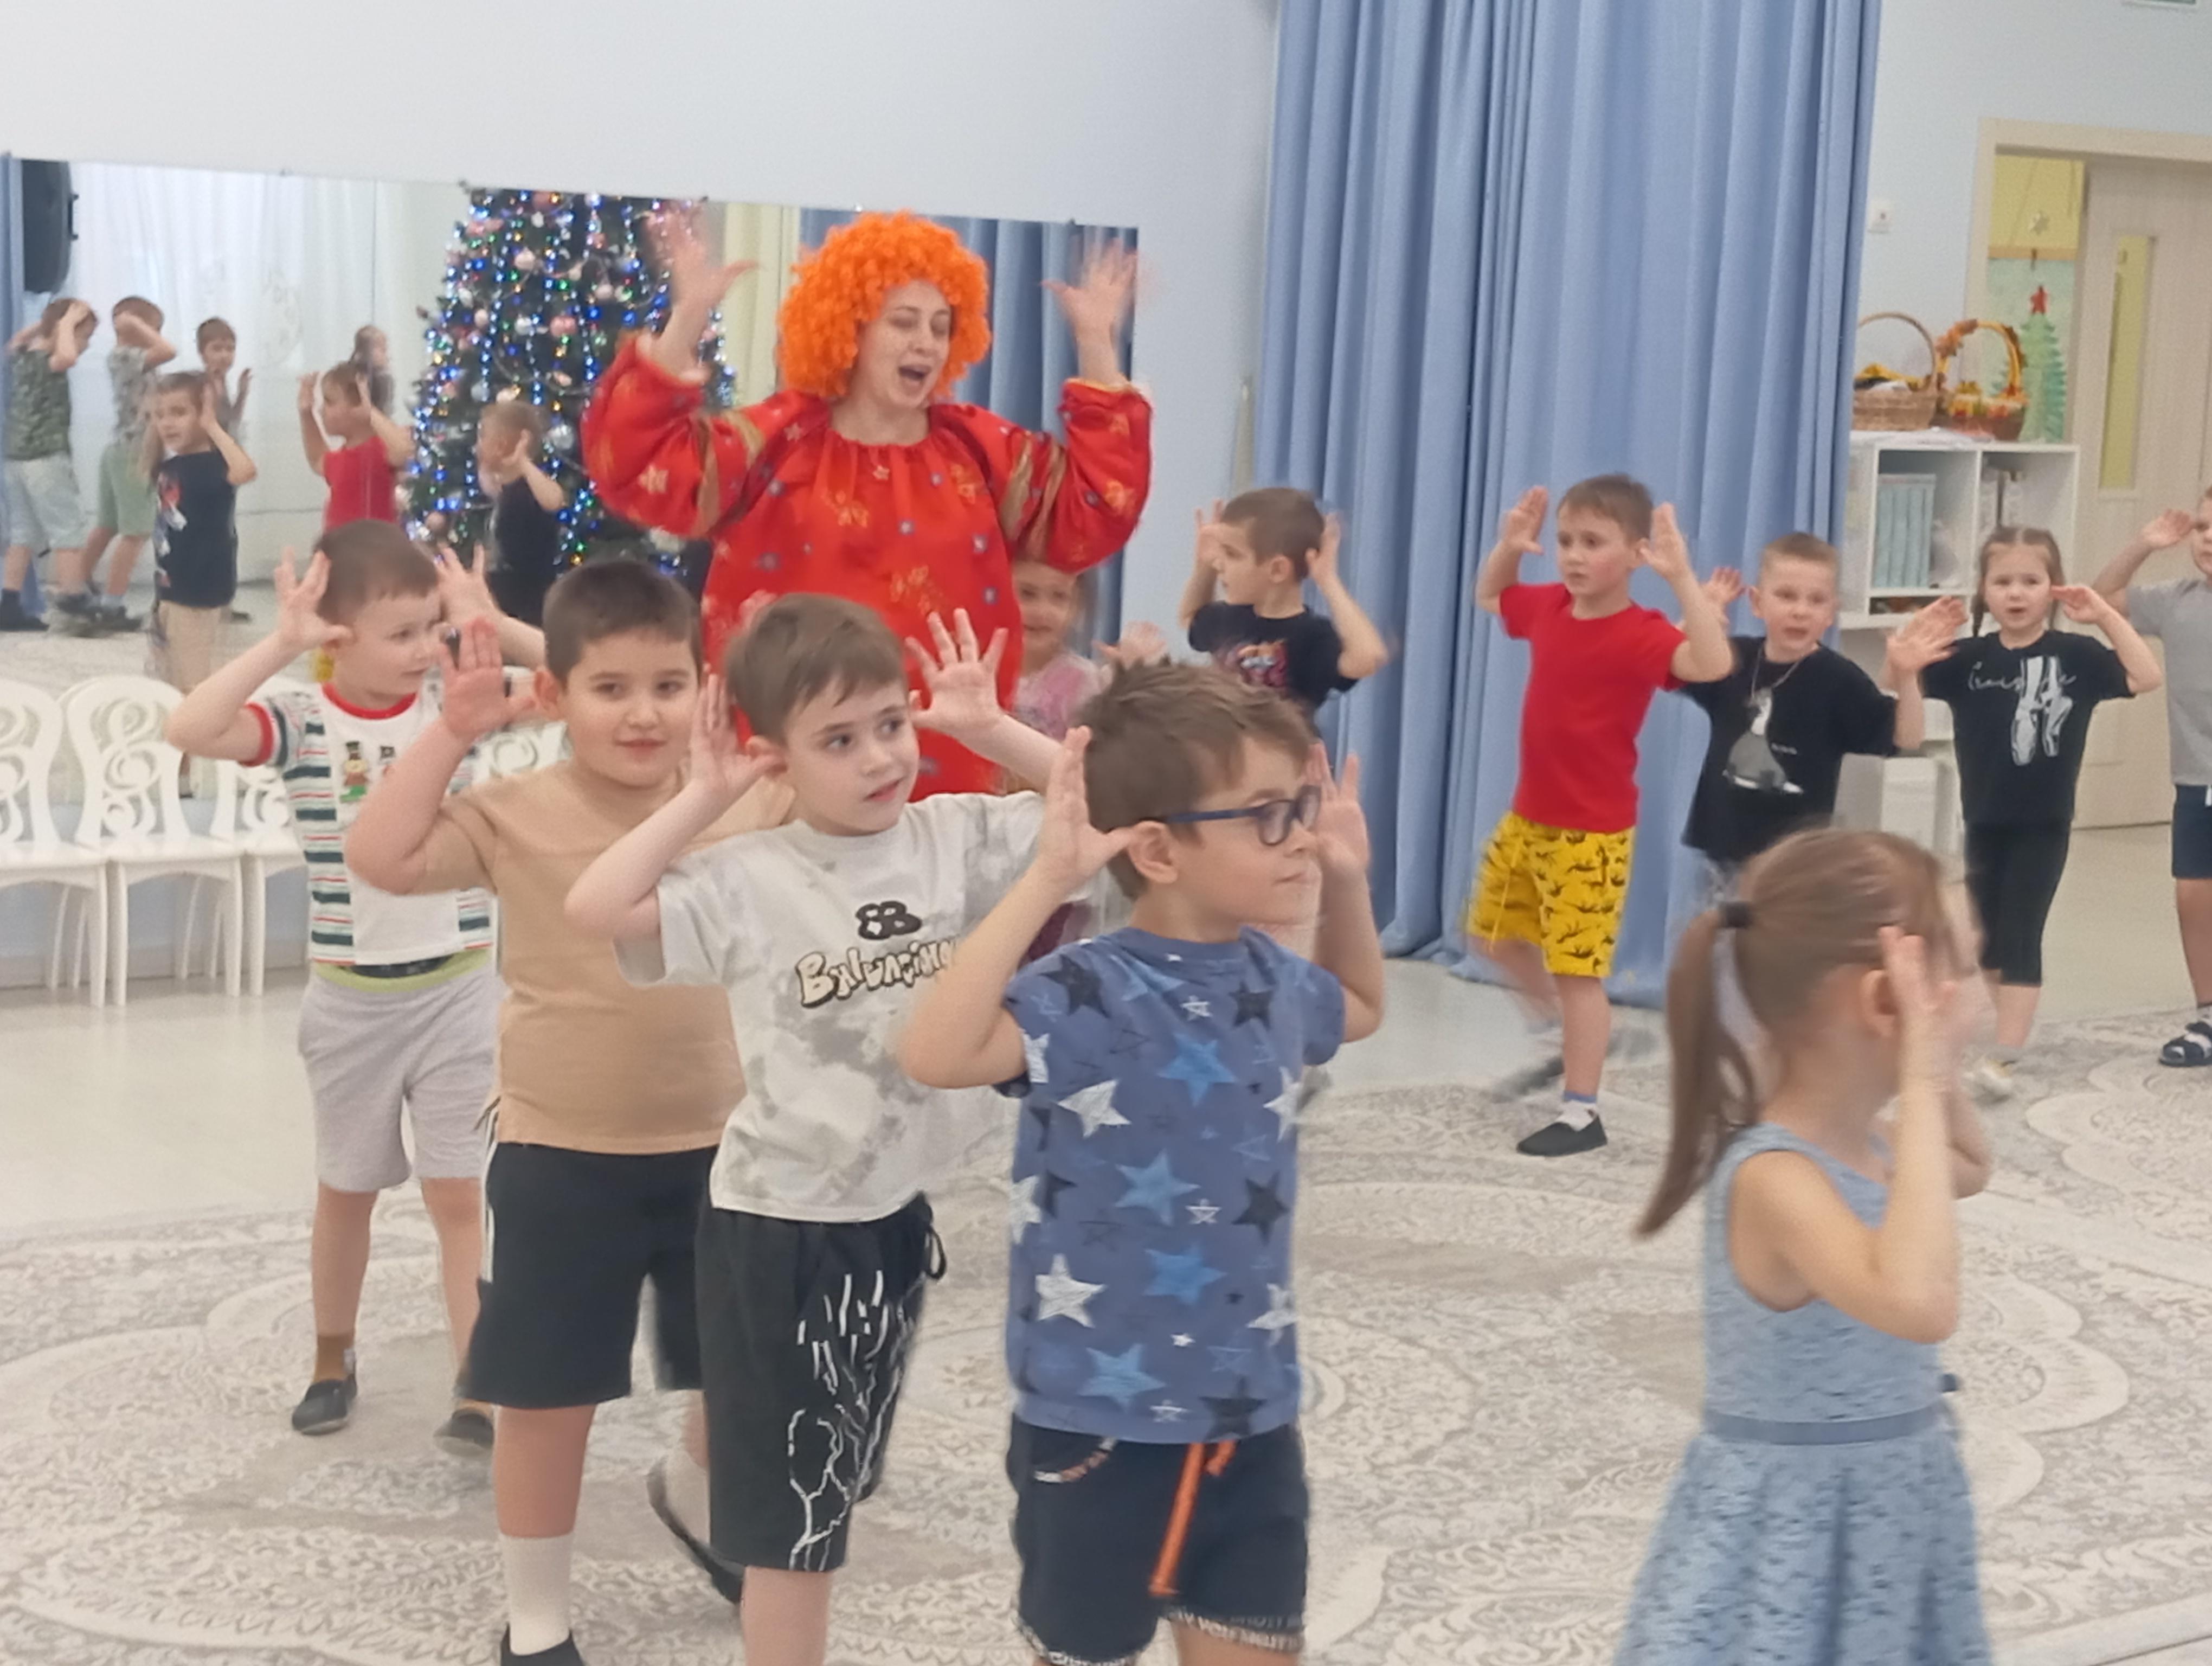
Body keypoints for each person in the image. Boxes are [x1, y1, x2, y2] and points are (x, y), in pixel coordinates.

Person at [564, 593, 1068, 1666]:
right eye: (838, 741)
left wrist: (989, 728)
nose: (880, 757)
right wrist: (704, 795)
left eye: (890, 723)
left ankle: (700, 1478)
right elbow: (595, 909)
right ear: (777, 756)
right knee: (800, 1534)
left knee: (836, 1481)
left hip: (892, 1217)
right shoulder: (751, 878)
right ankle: (726, 1512)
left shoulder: (954, 838)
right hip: (782, 1228)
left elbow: (1106, 804)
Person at [348, 563, 791, 1665]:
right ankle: (537, 1612)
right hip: (562, 1152)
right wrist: (453, 732)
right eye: (610, 688)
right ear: (553, 694)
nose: (643, 714)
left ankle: (694, 1491)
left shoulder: (746, 796)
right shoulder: (517, 812)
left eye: (668, 685)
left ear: (704, 687)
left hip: (729, 1148)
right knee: (546, 1398)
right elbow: (381, 854)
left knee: (738, 1368)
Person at [898, 664, 1385, 1666]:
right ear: (1159, 850)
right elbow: (937, 1053)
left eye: (1300, 808)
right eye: (1269, 816)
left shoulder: (1273, 978)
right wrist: (1047, 878)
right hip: (1098, 1425)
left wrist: (1347, 879)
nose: (1300, 835)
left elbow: (1362, 1007)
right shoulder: (1085, 988)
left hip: (1251, 1416)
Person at [165, 522, 531, 1450]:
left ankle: (480, 1378)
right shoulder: (302, 721)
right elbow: (190, 727)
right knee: (347, 1190)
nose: (422, 649)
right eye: (400, 633)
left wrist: (491, 624)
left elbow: (572, 680)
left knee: (461, 1193)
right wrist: (279, 643)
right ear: (337, 634)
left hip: (460, 993)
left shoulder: (456, 704)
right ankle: (332, 1358)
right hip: (352, 1003)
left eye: (430, 629)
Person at [584, 210, 1151, 796]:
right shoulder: (779, 441)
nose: (925, 342)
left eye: (940, 326)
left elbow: (1096, 510)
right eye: (903, 322)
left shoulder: (978, 450)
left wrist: (1095, 343)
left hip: (943, 767)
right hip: (784, 765)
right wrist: (689, 318)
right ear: (849, 328)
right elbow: (636, 467)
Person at [1616, 828, 1994, 1664]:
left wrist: (1933, 1072)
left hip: (1889, 1511)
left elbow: (1970, 1164)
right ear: (1882, 1001)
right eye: (1966, 968)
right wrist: (1921, 1071)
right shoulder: (1776, 1178)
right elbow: (1920, 1301)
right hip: (1798, 1533)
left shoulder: (1874, 1143)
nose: (1981, 991)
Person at [1468, 476, 1733, 1156]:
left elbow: (1711, 662)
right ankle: (1564, 1037)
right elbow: (1490, 596)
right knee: (1492, 936)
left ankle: (1582, 1113)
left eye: (1593, 542)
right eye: (1565, 541)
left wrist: (1683, 582)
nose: (1574, 556)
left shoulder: (1642, 634)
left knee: (1577, 973)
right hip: (1528, 819)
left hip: (1591, 834)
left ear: (1637, 553)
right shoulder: (1550, 607)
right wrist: (1510, 546)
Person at [1921, 527, 2162, 1100]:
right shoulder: (1969, 659)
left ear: (2053, 587)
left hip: (2044, 823)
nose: (2017, 593)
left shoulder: (2075, 657)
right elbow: (1900, 677)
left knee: (2022, 933)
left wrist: (2104, 615)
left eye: (2031, 581)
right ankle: (2008, 1025)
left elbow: (2146, 676)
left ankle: (2007, 1052)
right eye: (2003, 581)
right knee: (1987, 941)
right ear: (1984, 590)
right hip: (1983, 819)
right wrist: (1922, 634)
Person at [1681, 534, 1958, 895]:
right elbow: (1669, 660)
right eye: (1786, 596)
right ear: (1757, 602)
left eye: (1816, 600)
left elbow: (1906, 738)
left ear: (1831, 613)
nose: (1801, 611)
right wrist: (1700, 615)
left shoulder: (1839, 680)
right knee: (1718, 932)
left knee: (1786, 933)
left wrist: (1907, 677)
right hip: (1721, 848)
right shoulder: (1731, 659)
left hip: (1798, 861)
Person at [2093, 497, 2212, 1067]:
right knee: (2194, 897)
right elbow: (2100, 600)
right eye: (2204, 526)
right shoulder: (2176, 601)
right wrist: (2144, 544)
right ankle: (2208, 1013)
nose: (2208, 538)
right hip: (2199, 777)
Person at [1179, 489, 1390, 720]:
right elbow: (1190, 618)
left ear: (1278, 569)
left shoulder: (1312, 636)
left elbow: (1368, 657)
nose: (1219, 564)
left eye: (1232, 554)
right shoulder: (1227, 617)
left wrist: (1328, 581)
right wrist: (1204, 566)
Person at [53, 296, 177, 634]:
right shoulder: (126, 356)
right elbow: (168, 350)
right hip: (134, 452)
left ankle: (73, 590)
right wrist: (134, 324)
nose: (156, 335)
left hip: (120, 449)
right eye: (153, 328)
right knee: (135, 532)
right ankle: (112, 604)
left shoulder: (128, 358)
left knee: (106, 527)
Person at [145, 372, 257, 693]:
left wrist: (212, 426)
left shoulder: (214, 464)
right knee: (171, 677)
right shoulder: (172, 467)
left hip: (199, 593)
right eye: (160, 415)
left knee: (193, 683)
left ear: (204, 415)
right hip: (170, 589)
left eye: (179, 413)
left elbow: (246, 471)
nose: (168, 423)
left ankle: (195, 724)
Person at [1, 297, 97, 632]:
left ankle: (9, 605)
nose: (85, 345)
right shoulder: (49, 361)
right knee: (67, 530)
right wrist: (67, 323)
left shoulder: (23, 356)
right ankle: (74, 605)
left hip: (15, 460)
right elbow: (67, 356)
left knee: (22, 533)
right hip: (46, 459)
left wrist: (48, 324)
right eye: (85, 336)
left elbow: (15, 341)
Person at [476, 399, 568, 627]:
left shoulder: (531, 489)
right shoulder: (506, 491)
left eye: (483, 436)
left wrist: (523, 461)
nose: (478, 445)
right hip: (507, 598)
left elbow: (555, 500)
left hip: (529, 604)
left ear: (501, 444)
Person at [299, 362, 410, 528]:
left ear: (359, 404)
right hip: (340, 543)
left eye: (329, 402)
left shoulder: (381, 448)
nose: (321, 411)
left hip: (374, 542)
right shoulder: (342, 456)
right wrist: (306, 414)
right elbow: (318, 460)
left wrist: (370, 412)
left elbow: (404, 451)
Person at [196, 316, 252, 435]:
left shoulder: (222, 381)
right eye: (217, 349)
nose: (225, 355)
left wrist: (242, 393)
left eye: (230, 349)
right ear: (202, 352)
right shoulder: (199, 385)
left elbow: (231, 423)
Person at [352, 323, 396, 416]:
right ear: (364, 351)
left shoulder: (384, 378)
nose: (386, 355)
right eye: (382, 350)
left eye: (385, 349)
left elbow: (385, 411)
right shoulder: (353, 375)